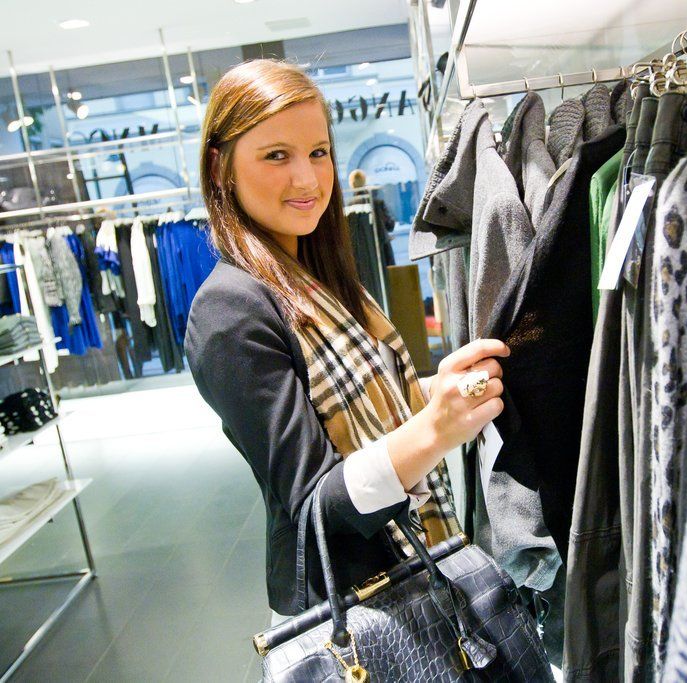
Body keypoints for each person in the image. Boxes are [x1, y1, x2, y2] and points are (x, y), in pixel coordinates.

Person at [184, 59, 508, 623]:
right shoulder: (229, 309)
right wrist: (435, 429)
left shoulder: (313, 275)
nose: (307, 180)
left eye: (318, 152)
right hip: (360, 606)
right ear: (220, 167)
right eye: (276, 155)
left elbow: (366, 400)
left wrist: (433, 390)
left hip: (410, 572)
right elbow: (316, 503)